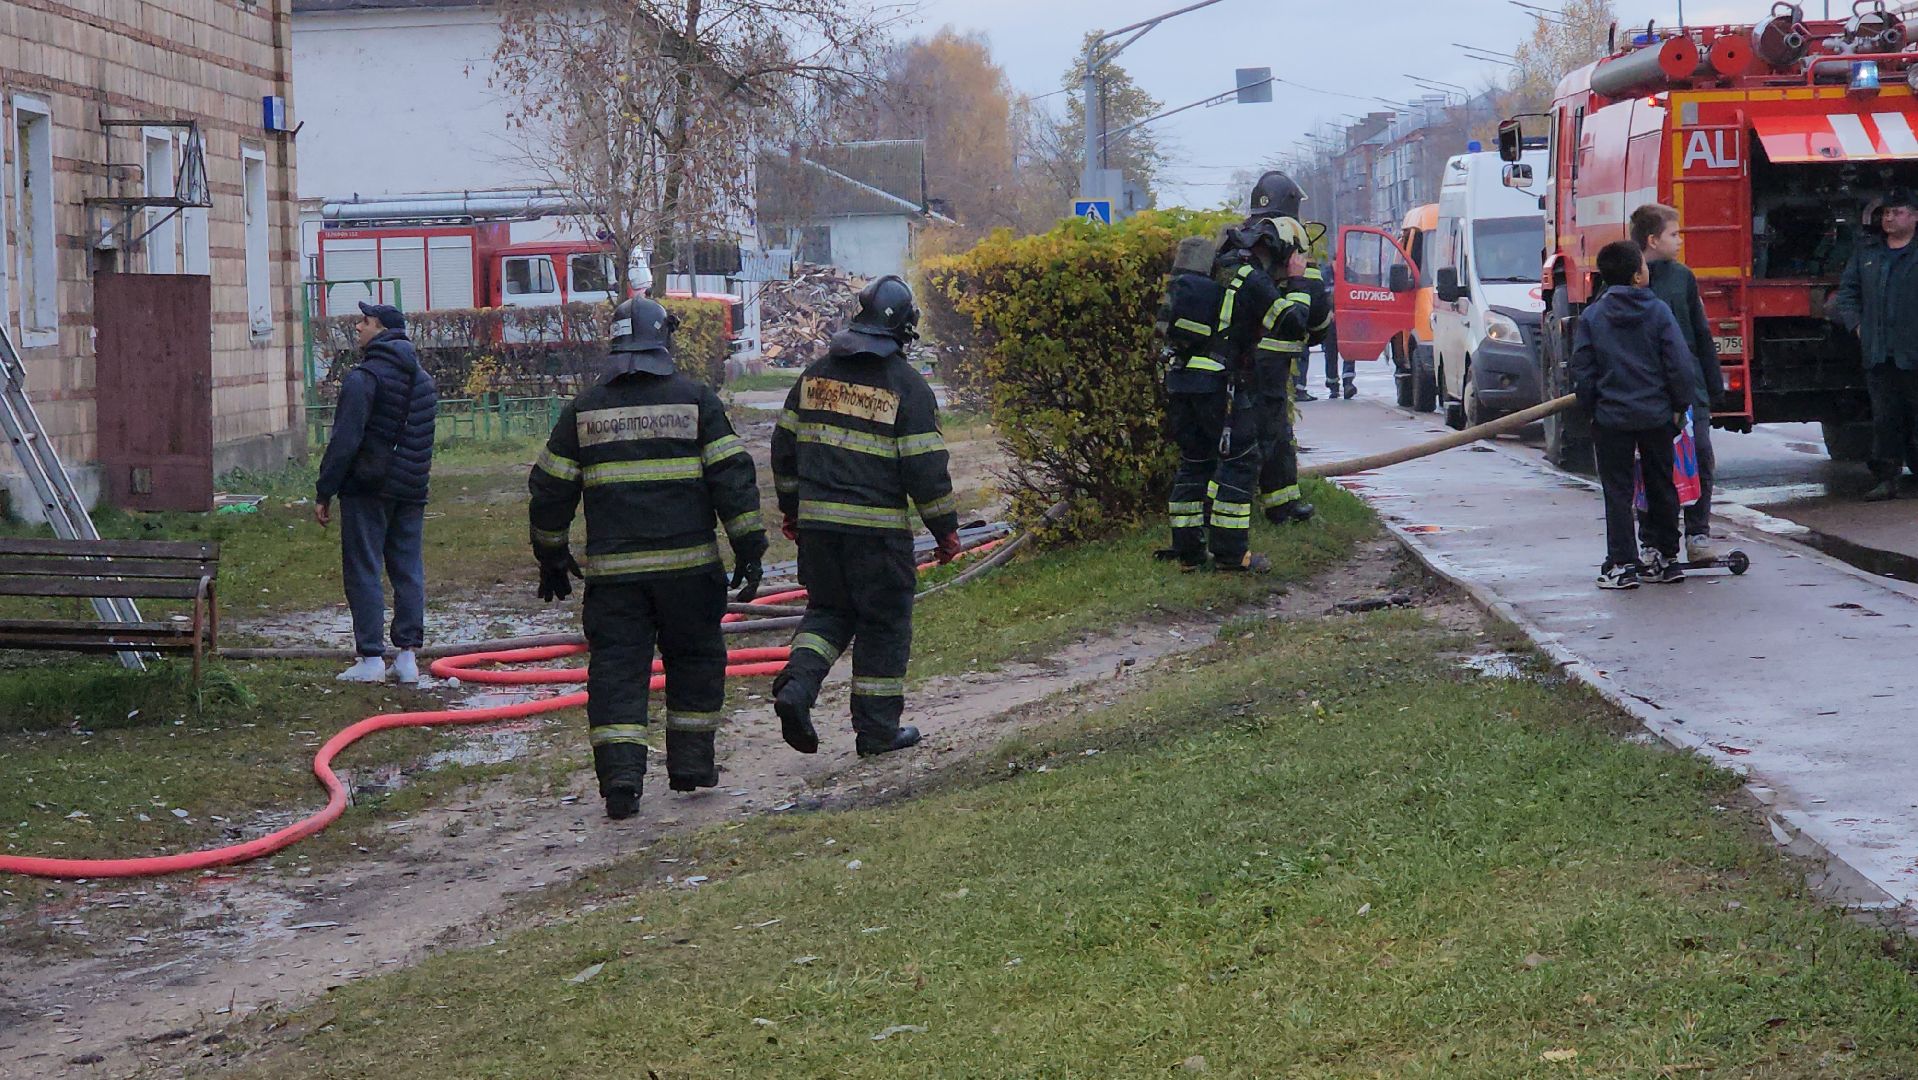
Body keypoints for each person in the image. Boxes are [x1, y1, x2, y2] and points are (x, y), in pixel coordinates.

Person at [528, 297, 766, 820]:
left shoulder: (585, 409)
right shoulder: (696, 400)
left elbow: (550, 488)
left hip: (616, 581)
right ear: (663, 341)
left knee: (616, 672)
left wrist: (550, 551)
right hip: (690, 572)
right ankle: (691, 766)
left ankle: (620, 781)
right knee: (697, 661)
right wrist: (750, 549)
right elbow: (732, 479)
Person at [770, 276, 958, 758]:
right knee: (883, 622)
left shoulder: (813, 376)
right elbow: (925, 469)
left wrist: (793, 512)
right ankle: (876, 732)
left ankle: (796, 688)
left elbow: (784, 449)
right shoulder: (907, 387)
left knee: (828, 612)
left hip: (819, 533)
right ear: (903, 332)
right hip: (877, 537)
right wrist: (946, 531)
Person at [314, 302, 438, 684]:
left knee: (364, 568)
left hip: (368, 487)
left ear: (381, 330)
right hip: (411, 488)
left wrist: (325, 490)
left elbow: (345, 441)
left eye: (365, 322)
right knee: (408, 569)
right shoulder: (424, 381)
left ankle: (370, 658)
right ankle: (407, 657)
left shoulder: (362, 379)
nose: (357, 327)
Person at [1569, 241, 1696, 589]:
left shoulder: (1593, 316)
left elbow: (1583, 369)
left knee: (1618, 491)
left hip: (1612, 419)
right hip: (1656, 416)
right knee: (1661, 486)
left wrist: (1592, 409)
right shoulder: (1658, 312)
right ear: (1638, 276)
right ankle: (1668, 559)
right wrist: (1678, 406)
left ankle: (1623, 564)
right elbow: (1679, 365)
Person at [1155, 232, 1285, 572]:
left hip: (1180, 380)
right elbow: (1287, 323)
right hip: (1215, 385)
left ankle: (1188, 554)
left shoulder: (1192, 289)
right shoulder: (1238, 279)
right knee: (1239, 460)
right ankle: (1231, 555)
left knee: (1193, 461)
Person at [1631, 203, 1724, 560]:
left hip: (1689, 388)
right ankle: (1651, 539)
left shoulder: (1682, 277)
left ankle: (1698, 534)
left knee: (1700, 455)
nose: (1680, 240)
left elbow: (1699, 333)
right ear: (1653, 240)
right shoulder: (1629, 277)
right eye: (1674, 234)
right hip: (1648, 390)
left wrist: (1712, 385)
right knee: (1650, 464)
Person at [1833, 187, 1918, 501]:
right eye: (1886, 213)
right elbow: (1848, 294)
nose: (1889, 218)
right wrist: (1857, 326)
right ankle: (1887, 477)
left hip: (1913, 352)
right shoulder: (1868, 254)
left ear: (1915, 217)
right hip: (1880, 354)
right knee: (1885, 418)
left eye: (1897, 212)